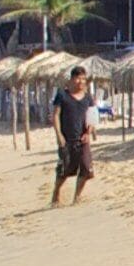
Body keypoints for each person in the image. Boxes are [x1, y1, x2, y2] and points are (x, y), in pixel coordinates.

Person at [49, 68, 99, 206]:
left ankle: (77, 197)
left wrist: (88, 133)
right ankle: (56, 192)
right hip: (66, 139)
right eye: (78, 78)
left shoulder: (88, 98)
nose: (81, 82)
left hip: (83, 139)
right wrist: (59, 135)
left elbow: (92, 118)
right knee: (65, 170)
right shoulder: (62, 95)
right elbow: (56, 115)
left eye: (83, 79)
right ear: (71, 79)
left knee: (86, 169)